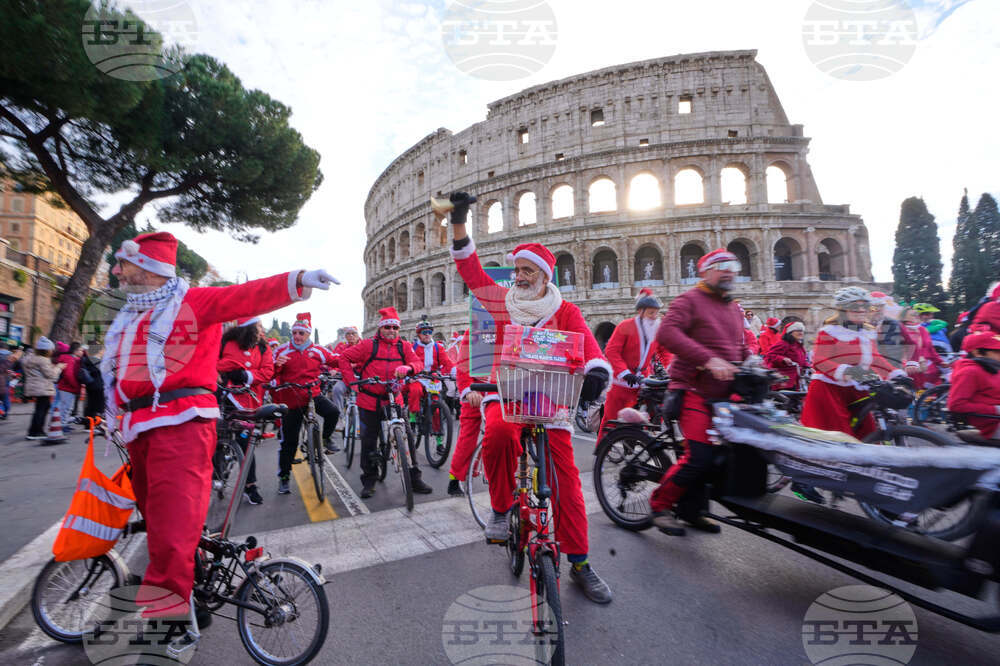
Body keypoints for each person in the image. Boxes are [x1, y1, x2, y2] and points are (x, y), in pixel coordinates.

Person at [101, 230, 336, 625]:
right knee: (160, 526)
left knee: (173, 531)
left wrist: (296, 280)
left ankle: (169, 623)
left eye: (123, 264)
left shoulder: (192, 302)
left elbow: (244, 297)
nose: (116, 271)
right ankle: (194, 588)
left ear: (146, 268)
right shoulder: (130, 315)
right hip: (139, 428)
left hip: (183, 425)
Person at [447, 191, 613, 604]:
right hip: (503, 394)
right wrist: (460, 223)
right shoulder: (499, 303)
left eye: (526, 271)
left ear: (544, 277)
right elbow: (470, 271)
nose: (518, 276)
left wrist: (595, 374)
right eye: (517, 269)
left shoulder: (566, 311)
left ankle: (580, 563)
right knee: (499, 434)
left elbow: (591, 350)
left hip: (550, 402)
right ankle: (502, 509)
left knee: (568, 482)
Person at [648, 248, 749, 536]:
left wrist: (753, 362)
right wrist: (708, 359)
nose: (728, 271)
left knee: (720, 458)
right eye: (720, 266)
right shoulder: (689, 300)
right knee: (699, 457)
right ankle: (660, 506)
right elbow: (666, 333)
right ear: (704, 271)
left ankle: (692, 511)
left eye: (732, 265)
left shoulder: (732, 307)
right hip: (693, 390)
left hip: (724, 396)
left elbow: (739, 345)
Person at [337, 307, 433, 498]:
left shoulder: (404, 346)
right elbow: (344, 358)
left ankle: (414, 479)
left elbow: (418, 363)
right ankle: (369, 480)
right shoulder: (367, 345)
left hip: (393, 398)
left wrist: (409, 367)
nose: (391, 330)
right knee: (368, 440)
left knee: (407, 437)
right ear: (381, 329)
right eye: (387, 327)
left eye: (395, 328)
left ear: (399, 329)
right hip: (369, 399)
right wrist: (352, 383)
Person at [271, 313, 342, 493]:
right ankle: (284, 477)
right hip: (291, 399)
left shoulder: (317, 350)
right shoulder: (281, 350)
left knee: (333, 412)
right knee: (290, 442)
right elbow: (269, 373)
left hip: (312, 395)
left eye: (301, 333)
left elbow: (337, 360)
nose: (297, 336)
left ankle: (325, 439)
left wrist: (350, 364)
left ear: (308, 334)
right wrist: (276, 366)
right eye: (295, 332)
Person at [217, 316, 274, 505]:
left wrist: (245, 375)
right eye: (257, 326)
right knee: (215, 435)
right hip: (225, 396)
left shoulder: (263, 347)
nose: (261, 329)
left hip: (248, 398)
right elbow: (212, 363)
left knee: (246, 442)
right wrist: (228, 370)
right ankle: (217, 473)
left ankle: (250, 486)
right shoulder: (225, 342)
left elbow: (267, 372)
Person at [597, 288, 668, 437]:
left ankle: (645, 441)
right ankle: (602, 450)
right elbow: (612, 351)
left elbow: (665, 351)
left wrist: (670, 371)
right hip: (622, 381)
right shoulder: (625, 326)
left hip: (643, 380)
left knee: (657, 409)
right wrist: (625, 373)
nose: (654, 317)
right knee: (610, 419)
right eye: (651, 313)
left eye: (656, 313)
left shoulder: (658, 328)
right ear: (640, 312)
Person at [406, 319, 455, 455]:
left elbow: (447, 362)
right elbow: (408, 361)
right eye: (424, 332)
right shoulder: (413, 347)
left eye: (429, 332)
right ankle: (413, 418)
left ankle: (439, 442)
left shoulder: (438, 347)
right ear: (419, 335)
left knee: (437, 411)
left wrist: (453, 373)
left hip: (433, 378)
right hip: (418, 376)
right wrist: (409, 373)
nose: (427, 334)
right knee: (415, 391)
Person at [947, 331, 1000, 440]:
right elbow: (956, 405)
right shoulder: (969, 372)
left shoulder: (992, 368)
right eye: (997, 351)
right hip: (992, 425)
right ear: (977, 352)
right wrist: (996, 409)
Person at [24, 337, 64, 439]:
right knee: (41, 409)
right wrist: (59, 367)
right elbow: (51, 375)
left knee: (42, 407)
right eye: (51, 349)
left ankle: (36, 431)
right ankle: (35, 432)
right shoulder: (43, 360)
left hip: (35, 386)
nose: (52, 351)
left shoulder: (30, 358)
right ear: (46, 350)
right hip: (42, 388)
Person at [899, 307, 946, 389]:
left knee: (932, 397)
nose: (916, 316)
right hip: (911, 370)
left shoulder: (922, 330)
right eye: (912, 314)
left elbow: (931, 349)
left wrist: (940, 362)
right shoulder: (899, 330)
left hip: (930, 371)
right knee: (914, 396)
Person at [763, 321, 810, 390]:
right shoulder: (783, 344)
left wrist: (808, 367)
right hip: (784, 378)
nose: (801, 333)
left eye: (802, 331)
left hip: (796, 379)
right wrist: (782, 359)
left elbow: (801, 359)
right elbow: (770, 355)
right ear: (790, 333)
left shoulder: (798, 344)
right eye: (797, 330)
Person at [55, 341, 84, 431]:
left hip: (67, 387)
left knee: (68, 408)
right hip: (67, 387)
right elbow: (69, 375)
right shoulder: (70, 359)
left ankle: (64, 423)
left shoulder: (73, 359)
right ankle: (62, 425)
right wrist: (75, 386)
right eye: (80, 350)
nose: (82, 352)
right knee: (66, 408)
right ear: (75, 351)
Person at [0, 343, 23, 419]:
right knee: (5, 396)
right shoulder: (11, 357)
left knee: (4, 396)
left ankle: (3, 412)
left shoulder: (9, 357)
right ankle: (4, 412)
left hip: (4, 379)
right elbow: (19, 366)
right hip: (6, 379)